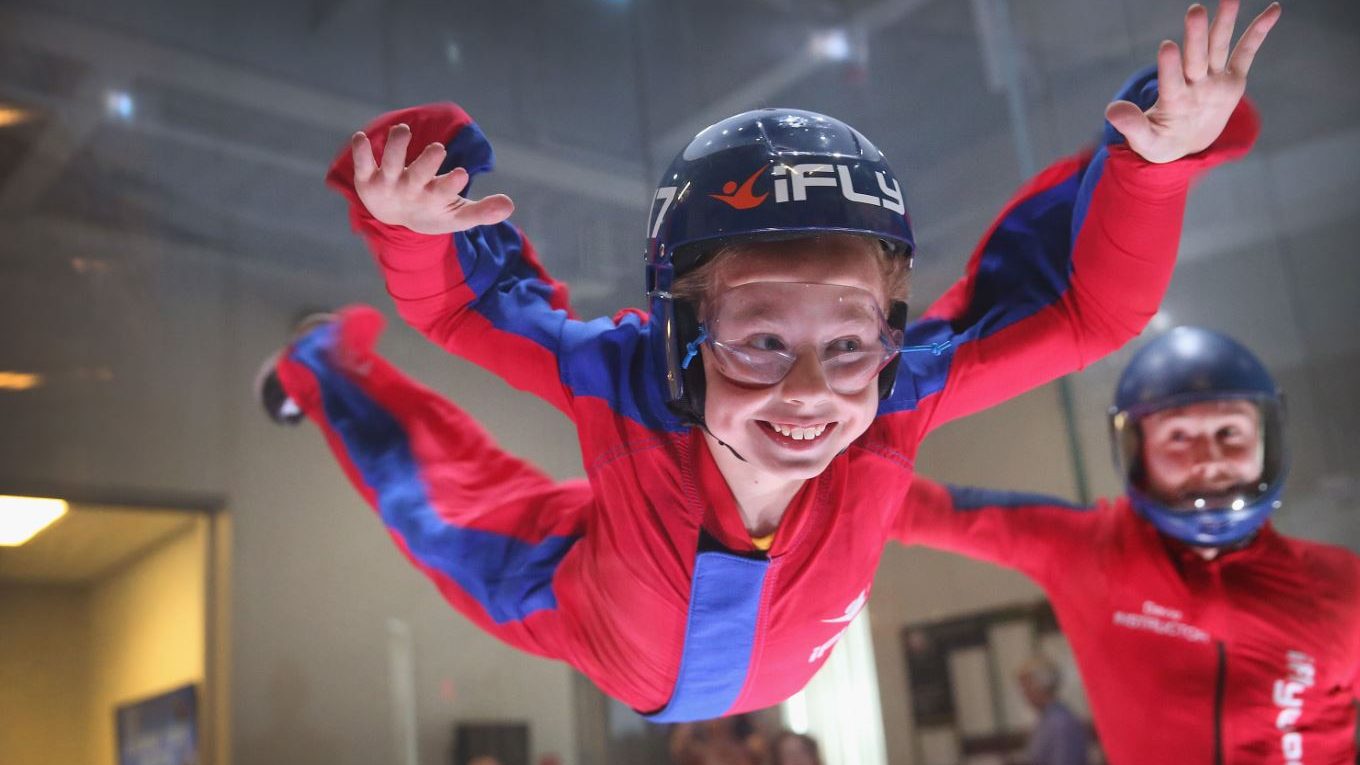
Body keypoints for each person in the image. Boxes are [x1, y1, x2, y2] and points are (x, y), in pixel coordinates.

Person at [260, 1, 1278, 723]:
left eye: (847, 343)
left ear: (886, 330)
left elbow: (1078, 311)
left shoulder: (894, 393)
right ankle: (322, 362)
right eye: (760, 342)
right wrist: (412, 223)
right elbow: (472, 306)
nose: (810, 393)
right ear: (680, 332)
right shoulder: (628, 380)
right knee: (438, 505)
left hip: (716, 653)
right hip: (586, 615)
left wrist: (1152, 168)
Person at [898, 327, 1360, 762]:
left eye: (1229, 432)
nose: (1208, 460)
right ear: (1139, 451)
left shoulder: (1340, 586)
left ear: (1267, 441)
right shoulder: (1089, 552)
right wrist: (861, 402)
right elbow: (912, 510)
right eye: (1178, 436)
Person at [1012, 656, 1088, 765]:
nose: (1024, 693)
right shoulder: (1045, 720)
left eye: (1026, 686)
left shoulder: (1061, 723)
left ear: (1042, 685)